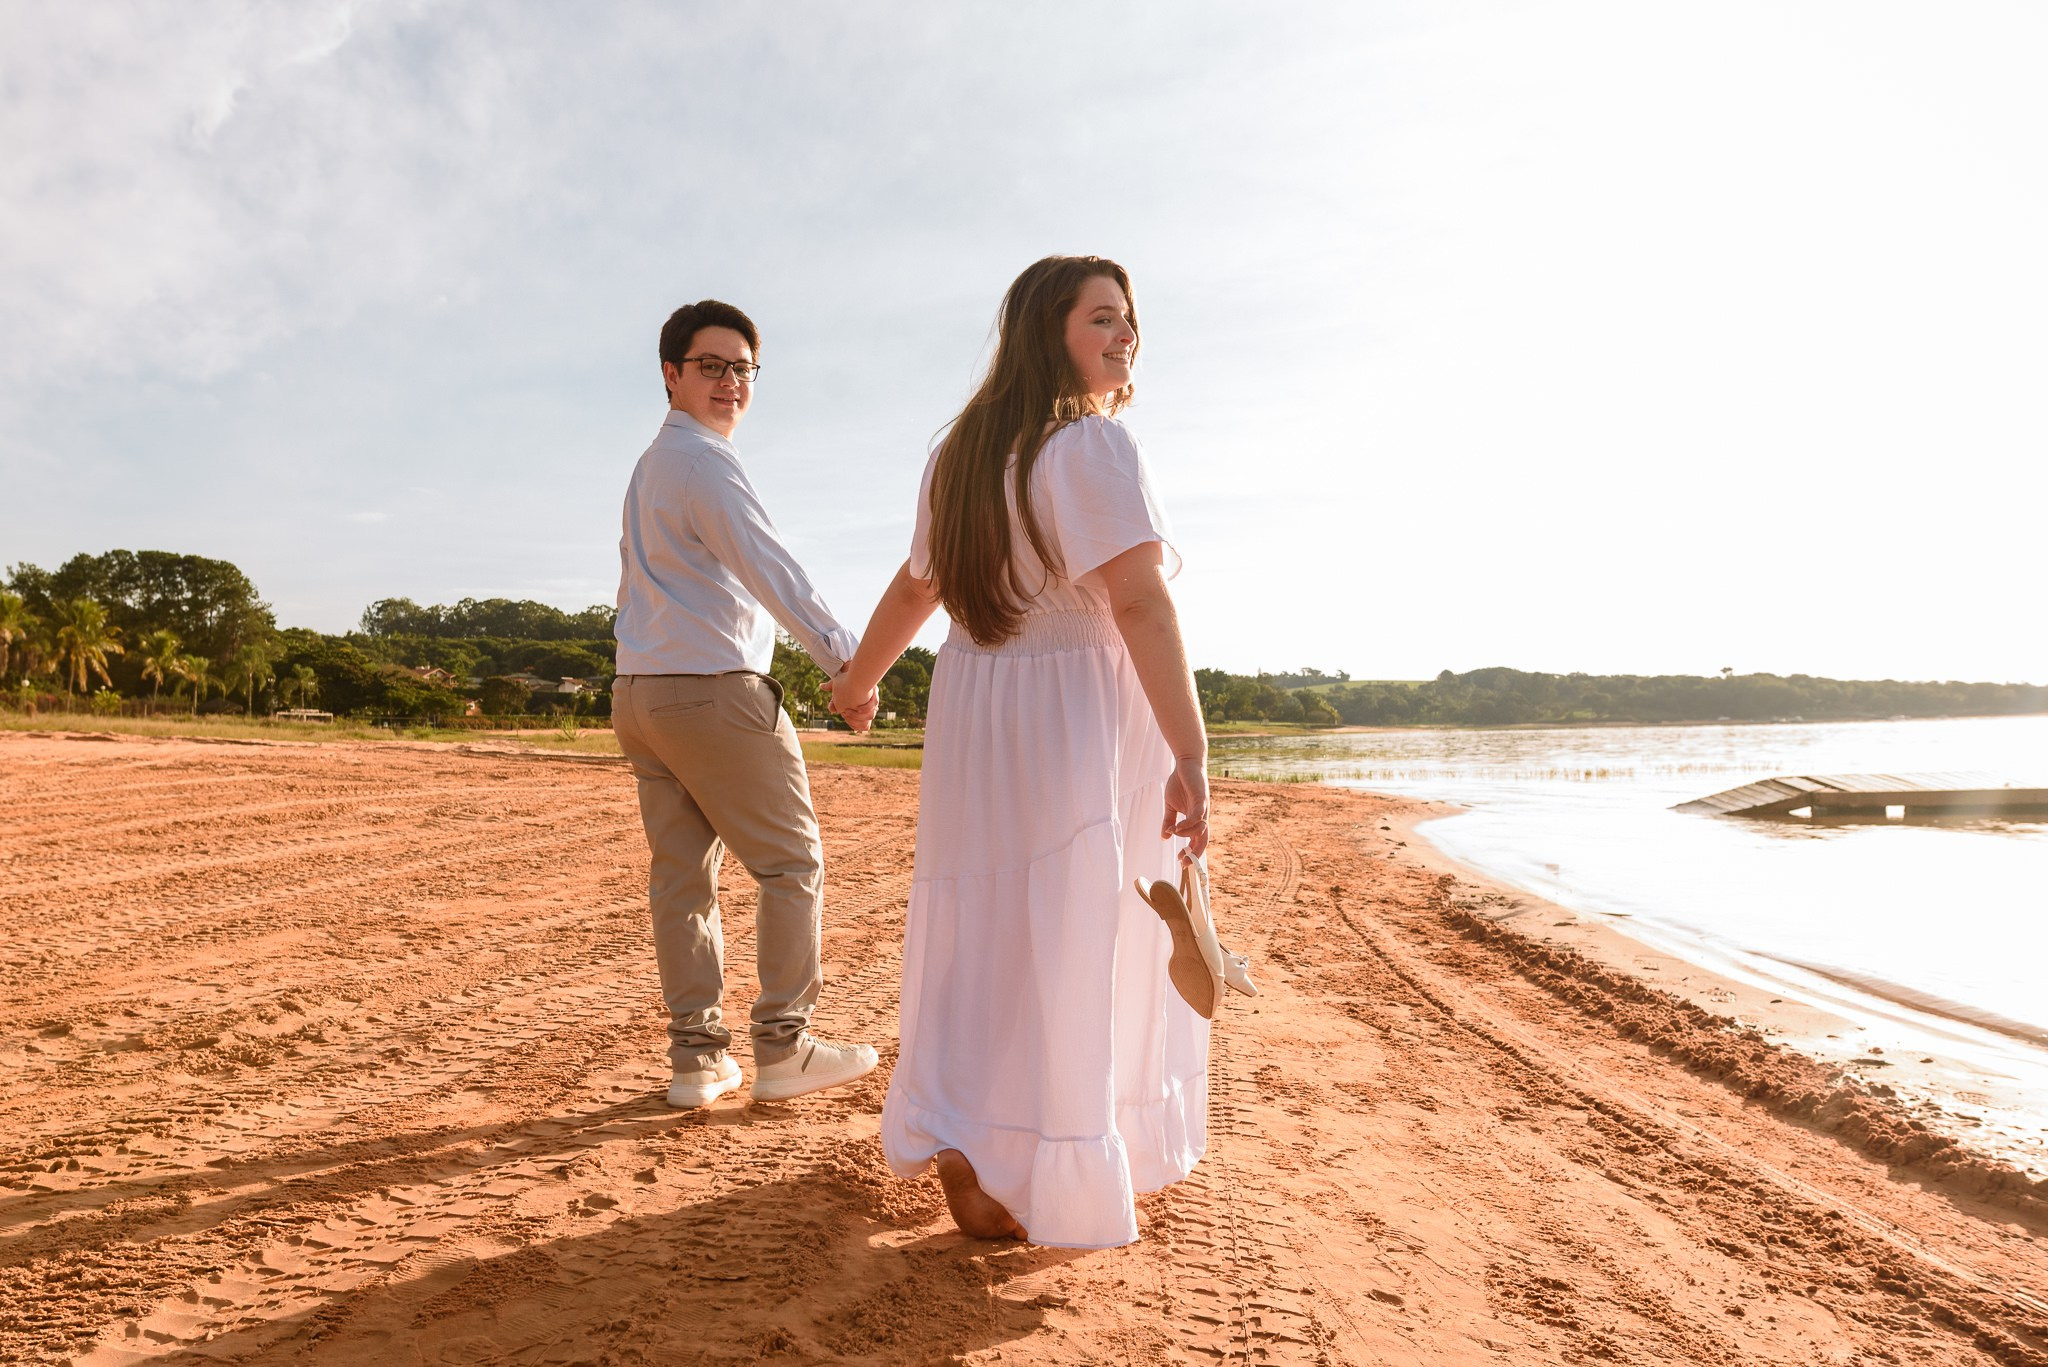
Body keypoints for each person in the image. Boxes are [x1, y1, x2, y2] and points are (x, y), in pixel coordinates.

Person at [833, 256, 1212, 1247]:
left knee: (990, 928)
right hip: (1075, 709)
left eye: (1129, 320)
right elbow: (1136, 600)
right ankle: (1048, 1155)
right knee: (1080, 927)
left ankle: (969, 1131)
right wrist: (1192, 749)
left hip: (978, 711)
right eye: (1102, 319)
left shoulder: (959, 451)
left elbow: (916, 588)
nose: (1124, 337)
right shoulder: (1089, 446)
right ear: (1050, 329)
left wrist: (858, 679)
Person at [612, 298, 881, 1110]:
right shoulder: (705, 463)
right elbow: (772, 568)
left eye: (743, 368)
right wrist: (848, 664)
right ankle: (784, 1046)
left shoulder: (652, 466)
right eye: (711, 366)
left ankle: (697, 1060)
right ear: (671, 374)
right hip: (713, 690)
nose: (730, 382)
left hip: (641, 693)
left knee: (682, 880)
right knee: (792, 865)